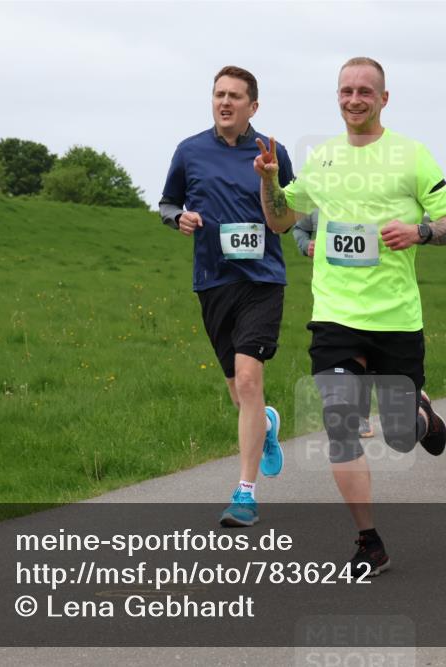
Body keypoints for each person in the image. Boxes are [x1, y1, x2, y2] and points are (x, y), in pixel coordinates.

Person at [253, 57, 446, 576]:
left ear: (384, 99)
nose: (354, 99)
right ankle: (369, 541)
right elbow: (281, 218)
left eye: (365, 91)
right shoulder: (323, 159)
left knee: (398, 437)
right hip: (334, 315)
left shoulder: (412, 156)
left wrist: (418, 233)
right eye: (346, 90)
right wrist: (269, 180)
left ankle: (421, 416)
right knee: (340, 427)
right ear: (338, 96)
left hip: (395, 317)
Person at [160, 66, 294, 527]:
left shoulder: (273, 153)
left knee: (250, 380)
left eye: (235, 96)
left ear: (253, 106)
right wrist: (178, 218)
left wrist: (270, 179)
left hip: (262, 280)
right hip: (213, 282)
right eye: (219, 94)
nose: (225, 102)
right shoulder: (189, 151)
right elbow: (167, 203)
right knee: (240, 394)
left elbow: (286, 218)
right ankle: (268, 424)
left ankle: (245, 493)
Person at [293, 209, 376, 438]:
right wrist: (305, 244)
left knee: (365, 355)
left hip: (373, 288)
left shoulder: (376, 191)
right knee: (342, 356)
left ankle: (362, 413)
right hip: (333, 293)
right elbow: (299, 227)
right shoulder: (320, 199)